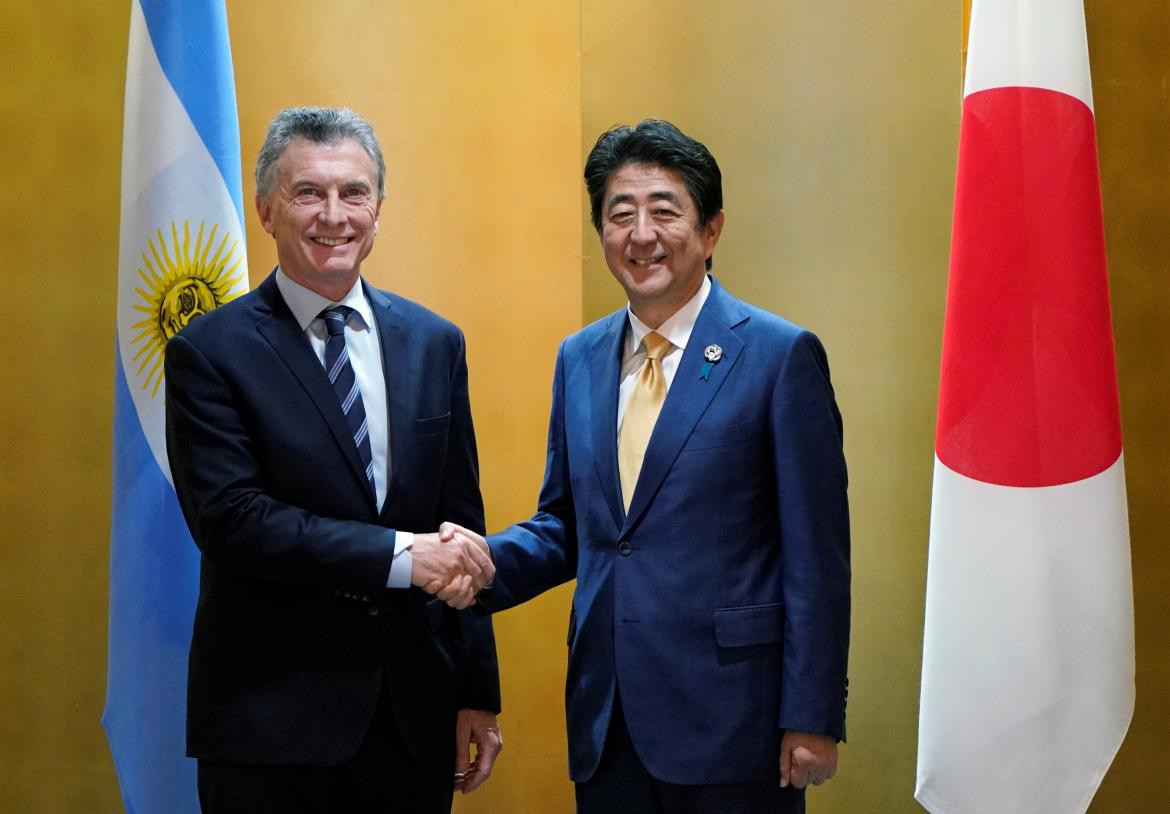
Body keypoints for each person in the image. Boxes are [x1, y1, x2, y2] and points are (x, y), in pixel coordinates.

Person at [440, 119, 850, 813]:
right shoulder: (579, 358)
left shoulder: (779, 357)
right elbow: (570, 525)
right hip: (610, 718)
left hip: (735, 720)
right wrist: (483, 566)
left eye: (664, 210)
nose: (641, 234)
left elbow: (817, 554)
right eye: (619, 213)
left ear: (712, 230)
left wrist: (813, 712)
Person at [164, 106, 502, 813]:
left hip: (411, 719)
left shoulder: (436, 343)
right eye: (307, 192)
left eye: (354, 193)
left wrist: (476, 690)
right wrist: (405, 557)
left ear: (378, 210)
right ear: (265, 209)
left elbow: (459, 525)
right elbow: (233, 521)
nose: (334, 215)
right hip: (271, 723)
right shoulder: (209, 352)